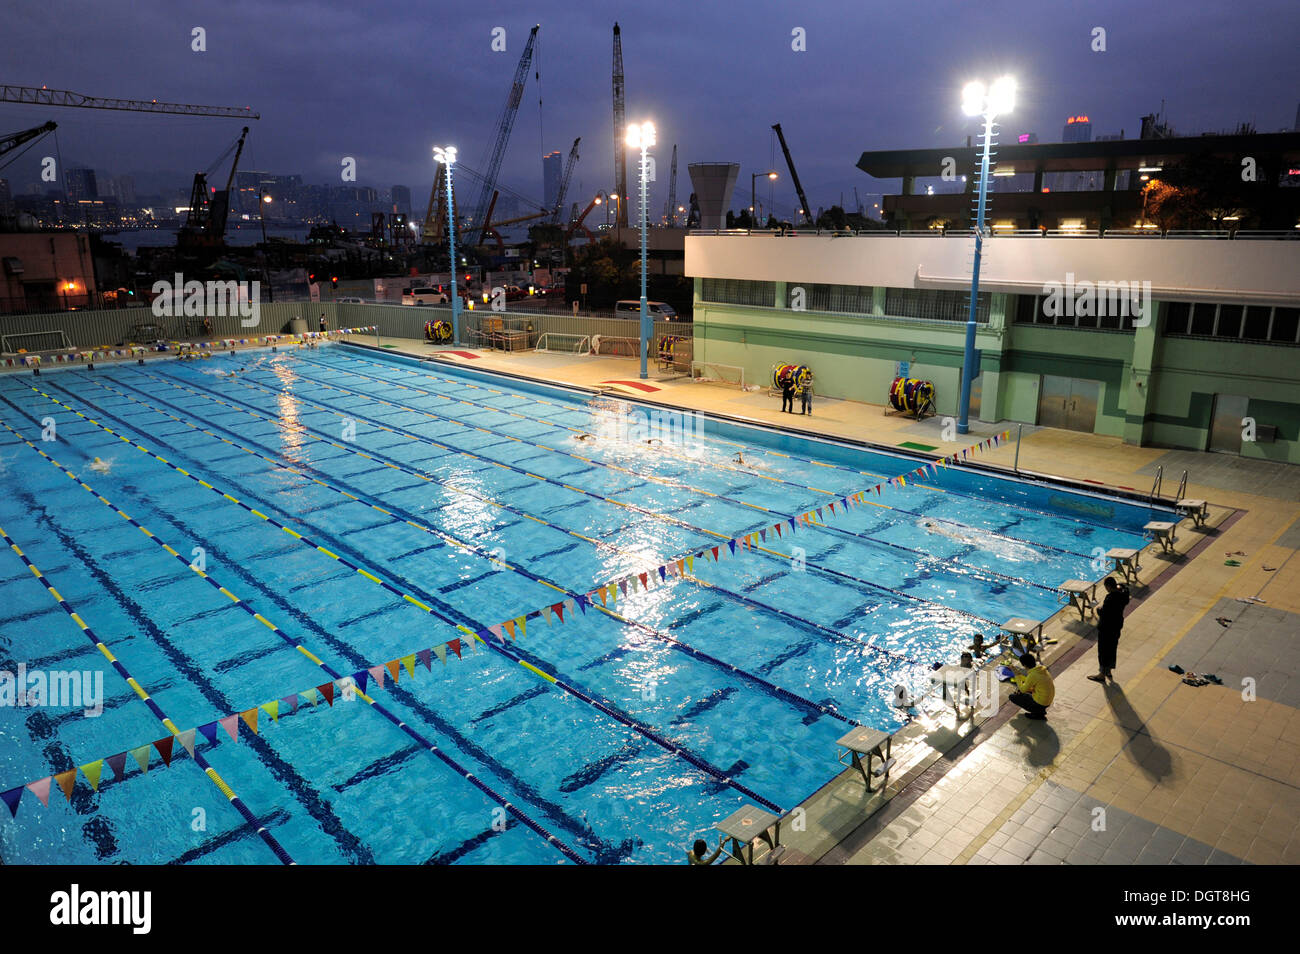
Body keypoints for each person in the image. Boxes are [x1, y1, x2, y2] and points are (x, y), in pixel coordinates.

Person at [1088, 576, 1131, 683]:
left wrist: (1098, 609)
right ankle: (1109, 671)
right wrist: (1119, 586)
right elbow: (1125, 587)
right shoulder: (1123, 595)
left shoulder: (1111, 598)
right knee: (1112, 648)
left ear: (1108, 586)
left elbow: (1104, 612)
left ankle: (1102, 674)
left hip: (1107, 628)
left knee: (1103, 650)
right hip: (1116, 626)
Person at [1009, 653, 1054, 720]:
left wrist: (1017, 675)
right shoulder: (1042, 669)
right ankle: (1040, 711)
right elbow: (1034, 685)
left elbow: (1022, 689)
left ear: (1024, 665)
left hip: (1041, 703)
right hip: (1048, 700)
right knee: (1022, 692)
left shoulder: (1033, 675)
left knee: (1012, 697)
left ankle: (1037, 713)